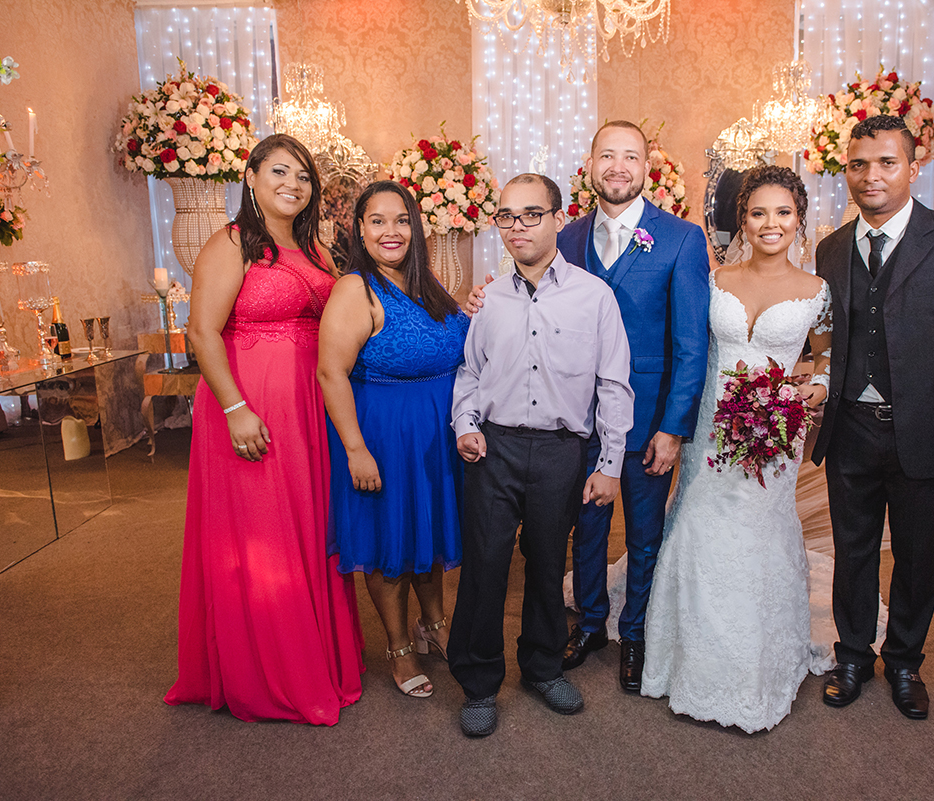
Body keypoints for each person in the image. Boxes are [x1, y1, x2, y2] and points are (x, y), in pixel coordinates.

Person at [811, 115, 934, 720]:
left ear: (913, 168)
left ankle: (904, 662)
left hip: (927, 428)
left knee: (919, 555)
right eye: (859, 164)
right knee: (854, 548)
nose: (871, 176)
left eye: (887, 163)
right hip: (850, 428)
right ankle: (851, 654)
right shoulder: (832, 246)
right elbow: (826, 339)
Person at [165, 134, 365, 725]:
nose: (293, 186)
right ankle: (269, 671)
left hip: (309, 406)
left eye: (304, 177)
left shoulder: (318, 251)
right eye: (280, 171)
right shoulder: (230, 245)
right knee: (263, 535)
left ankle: (316, 657)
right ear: (250, 176)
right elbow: (201, 333)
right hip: (250, 407)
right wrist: (234, 409)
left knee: (309, 527)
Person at [641, 165, 832, 733]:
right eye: (758, 213)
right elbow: (688, 344)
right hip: (709, 423)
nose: (770, 224)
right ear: (742, 221)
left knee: (756, 534)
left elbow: (824, 355)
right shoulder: (716, 278)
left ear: (799, 221)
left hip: (775, 430)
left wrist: (815, 387)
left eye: (782, 213)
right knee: (698, 524)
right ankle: (686, 659)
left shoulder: (817, 291)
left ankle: (753, 670)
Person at [448, 174, 634, 737]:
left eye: (532, 214)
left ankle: (543, 667)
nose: (518, 227)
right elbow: (470, 373)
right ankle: (479, 683)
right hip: (494, 448)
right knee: (485, 565)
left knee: (551, 563)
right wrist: (465, 424)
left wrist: (610, 463)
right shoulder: (489, 300)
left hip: (561, 449)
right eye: (506, 216)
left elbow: (613, 383)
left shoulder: (593, 296)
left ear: (559, 217)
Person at [556, 121, 710, 693]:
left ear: (647, 168)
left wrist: (673, 428)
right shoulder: (566, 239)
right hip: (577, 418)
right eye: (606, 155)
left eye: (631, 156)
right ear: (590, 164)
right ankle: (592, 621)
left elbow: (692, 344)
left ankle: (637, 631)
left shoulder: (680, 238)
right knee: (586, 526)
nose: (618, 166)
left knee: (644, 532)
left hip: (648, 422)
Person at [317, 181, 469, 699]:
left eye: (401, 220)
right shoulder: (354, 289)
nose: (390, 231)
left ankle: (435, 623)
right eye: (377, 220)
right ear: (359, 228)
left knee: (427, 537)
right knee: (389, 543)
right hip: (384, 436)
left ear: (415, 227)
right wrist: (356, 449)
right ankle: (400, 648)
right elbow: (330, 373)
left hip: (436, 435)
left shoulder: (429, 282)